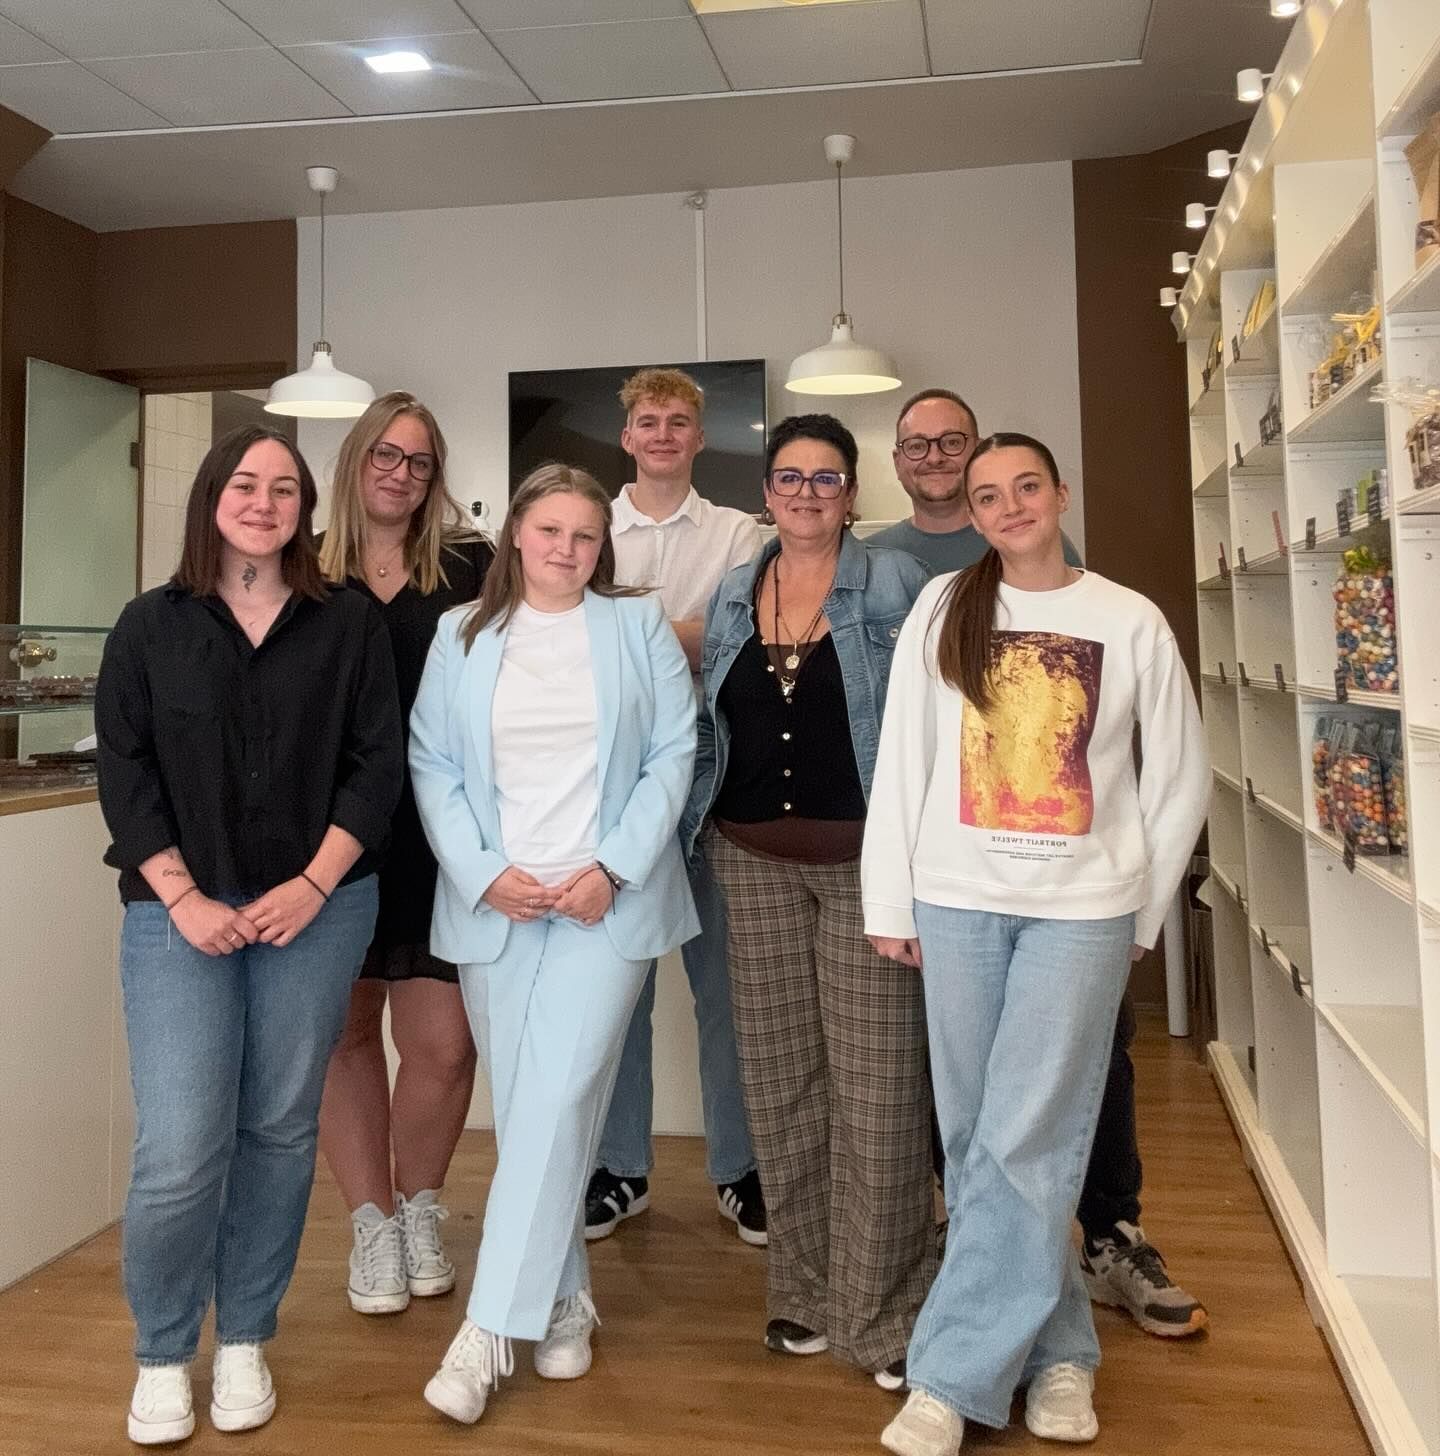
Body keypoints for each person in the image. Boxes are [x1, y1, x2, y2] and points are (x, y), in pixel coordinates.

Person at [864, 433, 1209, 1454]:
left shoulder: (1126, 618)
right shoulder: (943, 607)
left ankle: (948, 1377)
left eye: (1026, 486)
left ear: (1061, 492)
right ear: (969, 513)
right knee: (983, 1143)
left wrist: (1141, 913)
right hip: (957, 901)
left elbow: (1182, 775)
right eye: (988, 495)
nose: (1010, 505)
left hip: (1083, 910)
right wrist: (894, 898)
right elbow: (905, 758)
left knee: (1026, 1135)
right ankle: (1060, 1354)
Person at [95, 426, 403, 1445]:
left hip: (315, 912)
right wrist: (182, 897)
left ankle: (245, 1339)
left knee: (277, 1128)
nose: (263, 501)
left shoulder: (348, 622)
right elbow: (127, 776)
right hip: (176, 916)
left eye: (284, 488)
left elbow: (376, 765)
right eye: (244, 482)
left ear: (305, 509)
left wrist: (315, 883)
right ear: (210, 499)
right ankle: (161, 1351)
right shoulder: (149, 625)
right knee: (180, 1147)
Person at [409, 464, 698, 1426]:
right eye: (549, 531)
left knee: (563, 1091)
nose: (567, 550)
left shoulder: (636, 626)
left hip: (601, 904)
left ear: (599, 546)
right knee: (537, 1108)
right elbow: (433, 763)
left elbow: (673, 753)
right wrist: (482, 870)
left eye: (584, 535)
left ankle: (486, 1332)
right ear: (517, 539)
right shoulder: (461, 635)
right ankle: (566, 1297)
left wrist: (611, 868)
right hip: (499, 902)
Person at [681, 413, 935, 1389]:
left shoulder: (896, 586)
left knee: (877, 1095)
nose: (807, 494)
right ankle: (804, 1292)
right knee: (783, 1087)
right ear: (769, 492)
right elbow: (709, 708)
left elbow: (933, 722)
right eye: (790, 478)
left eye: (826, 479)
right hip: (751, 863)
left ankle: (885, 1311)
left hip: (865, 868)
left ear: (853, 492)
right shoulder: (738, 589)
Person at [316, 392, 493, 1317]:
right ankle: (372, 1223)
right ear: (354, 461)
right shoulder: (300, 567)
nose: (399, 472)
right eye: (384, 454)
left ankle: (421, 1205)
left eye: (418, 461)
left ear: (435, 478)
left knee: (444, 1044)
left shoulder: (471, 566)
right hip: (323, 840)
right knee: (342, 1033)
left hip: (442, 836)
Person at [587, 366, 766, 1245]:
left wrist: (626, 628)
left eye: (678, 423)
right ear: (629, 437)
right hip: (609, 788)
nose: (662, 434)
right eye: (648, 422)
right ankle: (621, 1169)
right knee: (620, 984)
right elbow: (568, 629)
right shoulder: (590, 526)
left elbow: (743, 636)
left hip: (713, 779)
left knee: (725, 989)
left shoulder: (743, 532)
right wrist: (684, 631)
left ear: (699, 437)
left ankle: (740, 1169)